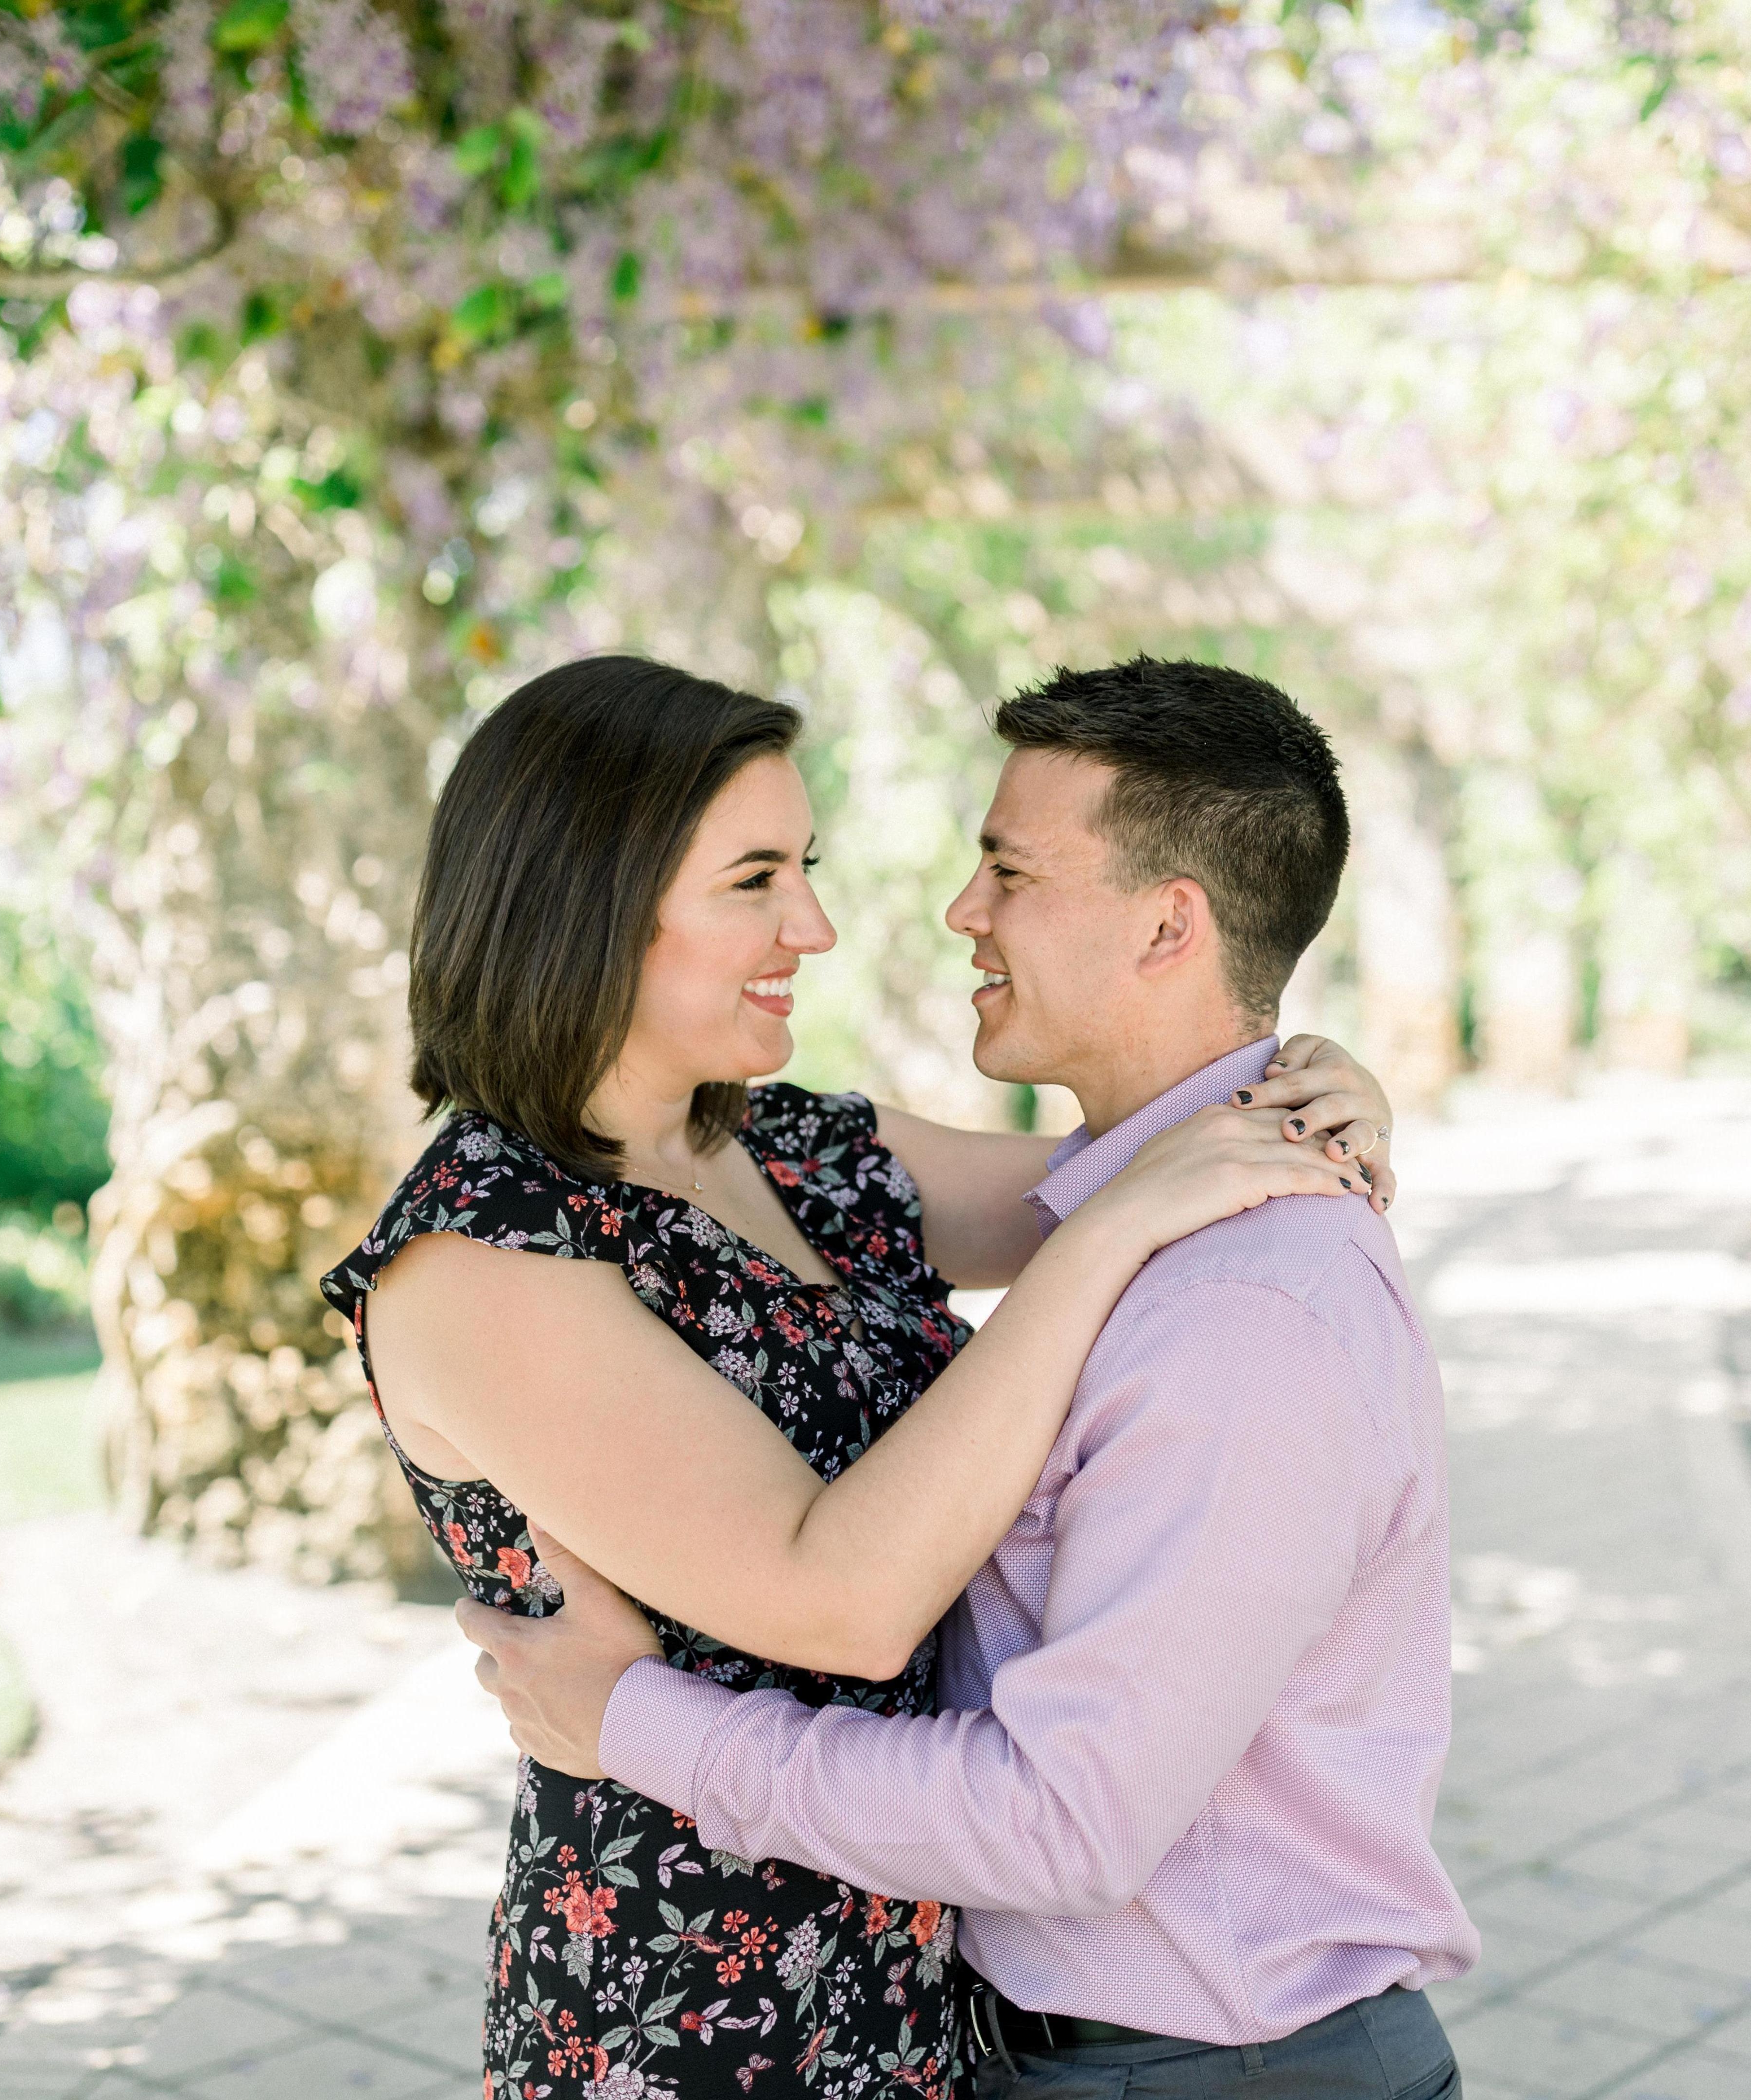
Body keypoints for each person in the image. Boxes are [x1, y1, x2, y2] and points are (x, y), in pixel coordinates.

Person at [320, 655, 1399, 2100]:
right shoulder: (481, 1265)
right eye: (755, 879)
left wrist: (1321, 1083)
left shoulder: (796, 1154)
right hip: (699, 2007)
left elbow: (1171, 1147)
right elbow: (846, 1603)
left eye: (805, 869)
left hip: (920, 1972)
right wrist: (1113, 1233)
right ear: (589, 897)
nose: (812, 928)